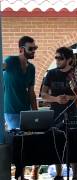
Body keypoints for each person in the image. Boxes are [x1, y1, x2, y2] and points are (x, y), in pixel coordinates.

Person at [41, 47, 77, 180]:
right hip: (55, 115)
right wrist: (55, 99)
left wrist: (70, 97)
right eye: (56, 57)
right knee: (57, 145)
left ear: (69, 60)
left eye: (60, 58)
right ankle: (59, 175)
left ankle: (74, 176)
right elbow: (43, 94)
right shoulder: (50, 74)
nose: (57, 60)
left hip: (72, 114)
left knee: (74, 145)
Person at [3, 36, 40, 180]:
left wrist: (36, 114)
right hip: (11, 110)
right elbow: (3, 66)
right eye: (31, 48)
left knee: (28, 143)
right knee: (20, 143)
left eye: (35, 48)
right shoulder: (11, 61)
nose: (33, 51)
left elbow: (31, 92)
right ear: (21, 49)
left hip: (26, 111)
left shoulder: (31, 68)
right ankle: (20, 176)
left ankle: (26, 174)